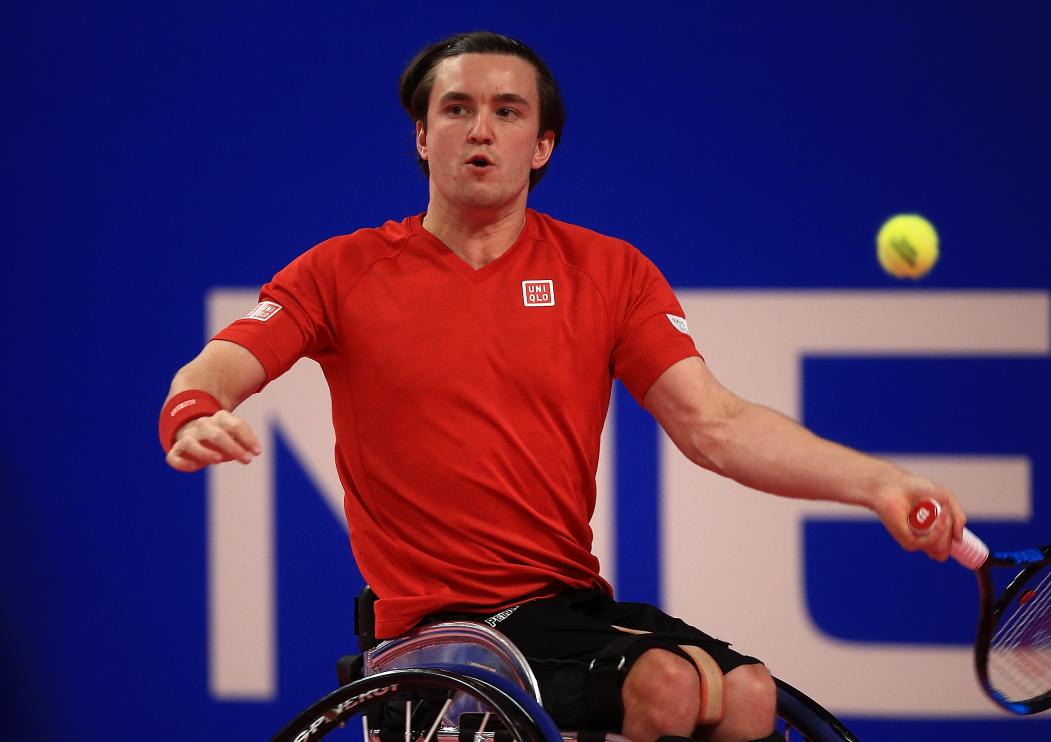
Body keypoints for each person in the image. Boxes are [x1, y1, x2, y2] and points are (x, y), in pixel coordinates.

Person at [160, 31, 966, 742]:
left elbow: (715, 425)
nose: (481, 128)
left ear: (541, 146)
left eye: (509, 112)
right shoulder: (341, 271)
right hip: (439, 630)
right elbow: (223, 363)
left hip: (561, 606)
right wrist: (195, 412)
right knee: (667, 684)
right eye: (457, 109)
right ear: (422, 135)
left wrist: (880, 483)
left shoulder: (609, 272)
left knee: (749, 697)